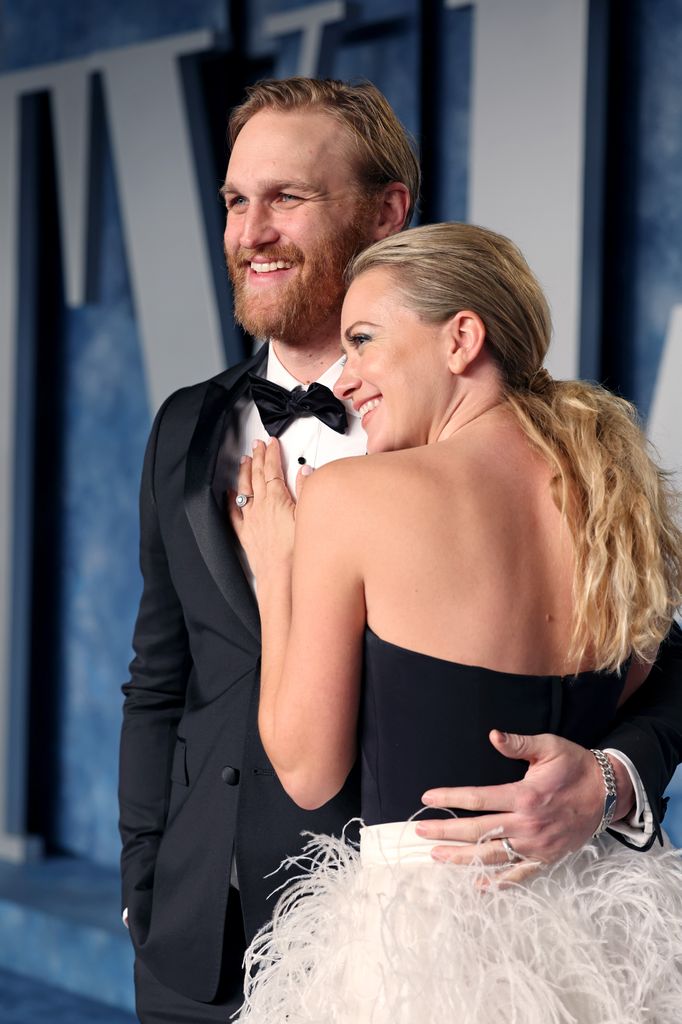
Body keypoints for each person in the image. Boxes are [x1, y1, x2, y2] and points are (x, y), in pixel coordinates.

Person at [118, 78, 682, 1021]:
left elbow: (661, 662)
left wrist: (612, 778)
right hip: (193, 941)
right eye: (233, 200)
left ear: (387, 213)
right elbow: (159, 676)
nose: (251, 229)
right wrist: (143, 877)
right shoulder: (185, 427)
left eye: (287, 197)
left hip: (393, 945)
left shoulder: (490, 451)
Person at [231, 222, 682, 1022]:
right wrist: (612, 777)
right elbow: (647, 689)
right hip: (613, 933)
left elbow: (307, 770)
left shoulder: (352, 497)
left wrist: (277, 577)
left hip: (427, 953)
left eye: (364, 341)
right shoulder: (622, 499)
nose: (346, 379)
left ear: (461, 339)